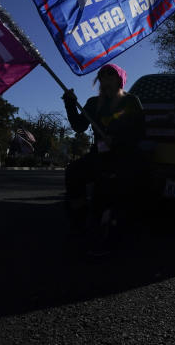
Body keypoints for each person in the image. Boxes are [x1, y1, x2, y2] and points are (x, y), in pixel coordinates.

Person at [62, 63, 145, 244]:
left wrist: (117, 140)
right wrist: (69, 103)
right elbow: (79, 126)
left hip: (123, 157)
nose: (105, 79)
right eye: (102, 76)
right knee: (74, 172)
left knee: (107, 189)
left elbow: (140, 132)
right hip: (98, 155)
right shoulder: (93, 103)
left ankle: (109, 229)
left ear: (119, 79)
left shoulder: (131, 101)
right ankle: (79, 220)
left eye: (110, 75)